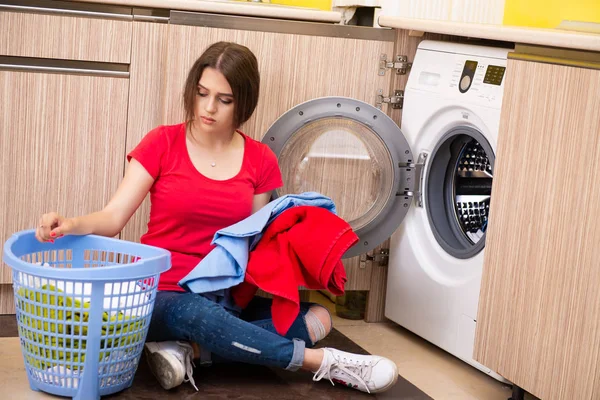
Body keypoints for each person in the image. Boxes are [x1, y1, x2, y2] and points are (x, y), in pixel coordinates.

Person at [35, 41, 398, 394]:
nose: (208, 108)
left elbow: (251, 246)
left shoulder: (260, 161)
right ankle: (323, 363)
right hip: (161, 294)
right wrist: (70, 224)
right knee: (196, 313)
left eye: (223, 100)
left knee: (318, 317)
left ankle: (192, 351)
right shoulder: (162, 143)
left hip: (224, 296)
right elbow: (113, 217)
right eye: (202, 93)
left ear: (243, 103)